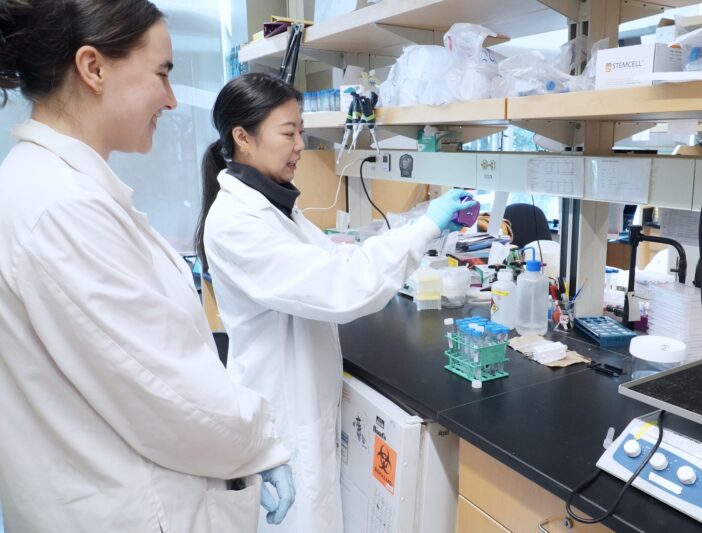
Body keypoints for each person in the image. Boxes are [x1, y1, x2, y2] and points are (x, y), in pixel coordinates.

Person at [0, 2, 295, 531]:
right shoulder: (61, 207)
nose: (172, 97)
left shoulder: (57, 188)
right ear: (93, 68)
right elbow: (164, 393)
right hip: (132, 506)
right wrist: (261, 441)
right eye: (162, 73)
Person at [196, 73, 475, 532]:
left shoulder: (275, 206)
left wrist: (420, 231)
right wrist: (425, 226)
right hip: (282, 420)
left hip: (301, 406)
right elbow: (342, 286)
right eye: (288, 133)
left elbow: (337, 259)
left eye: (301, 130)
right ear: (242, 137)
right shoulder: (237, 223)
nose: (301, 144)